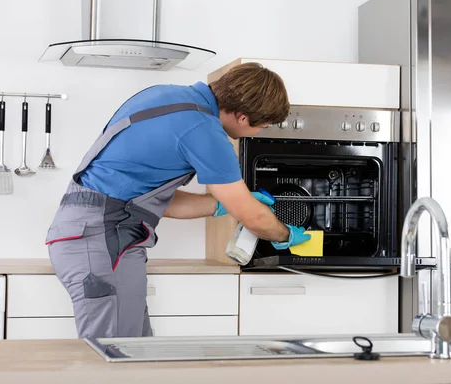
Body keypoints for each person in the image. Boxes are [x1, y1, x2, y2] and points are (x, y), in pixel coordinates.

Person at [45, 62, 311, 339]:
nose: (258, 133)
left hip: (87, 234)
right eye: (262, 127)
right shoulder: (204, 130)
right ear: (243, 118)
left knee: (134, 347)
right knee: (115, 353)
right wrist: (284, 235)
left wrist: (220, 204)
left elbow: (153, 200)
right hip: (103, 240)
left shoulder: (163, 95)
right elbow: (253, 217)